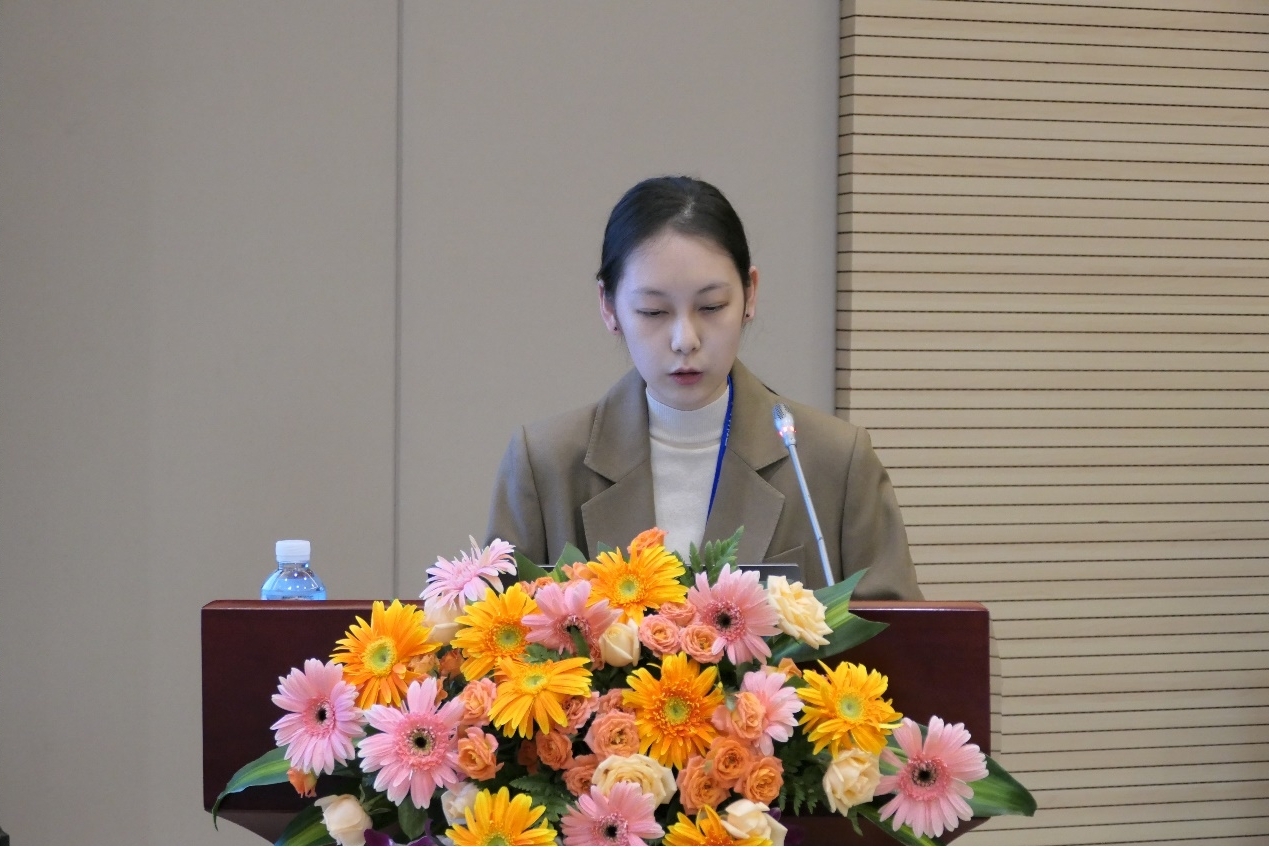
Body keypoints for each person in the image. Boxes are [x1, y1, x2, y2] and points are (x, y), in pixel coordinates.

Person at [486, 176, 922, 599]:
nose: (686, 340)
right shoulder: (545, 465)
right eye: (653, 312)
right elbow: (492, 633)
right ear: (609, 306)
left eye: (712, 307)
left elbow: (903, 636)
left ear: (750, 294)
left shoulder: (833, 461)